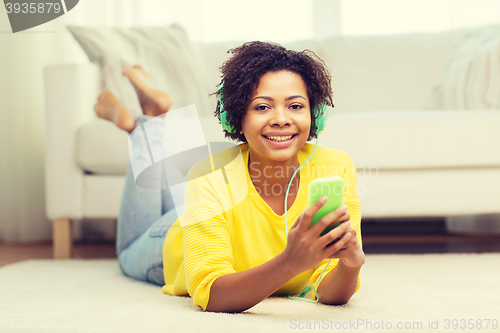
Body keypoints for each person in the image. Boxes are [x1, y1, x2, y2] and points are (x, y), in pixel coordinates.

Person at [94, 41, 365, 313]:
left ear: (315, 115)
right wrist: (289, 262)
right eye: (262, 107)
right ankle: (142, 125)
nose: (281, 119)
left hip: (206, 211)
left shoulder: (335, 166)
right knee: (128, 253)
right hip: (174, 238)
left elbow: (333, 293)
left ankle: (148, 119)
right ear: (235, 117)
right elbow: (211, 294)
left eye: (295, 106)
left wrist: (350, 265)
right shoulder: (210, 175)